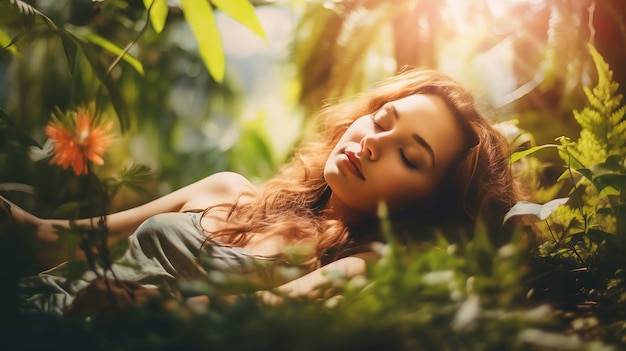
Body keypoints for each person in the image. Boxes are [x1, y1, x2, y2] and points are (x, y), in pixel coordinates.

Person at [2, 68, 520, 319]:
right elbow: (52, 239)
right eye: (381, 120)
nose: (374, 143)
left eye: (411, 156)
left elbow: (265, 309)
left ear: (430, 202)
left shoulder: (370, 259)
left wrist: (151, 309)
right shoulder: (227, 190)